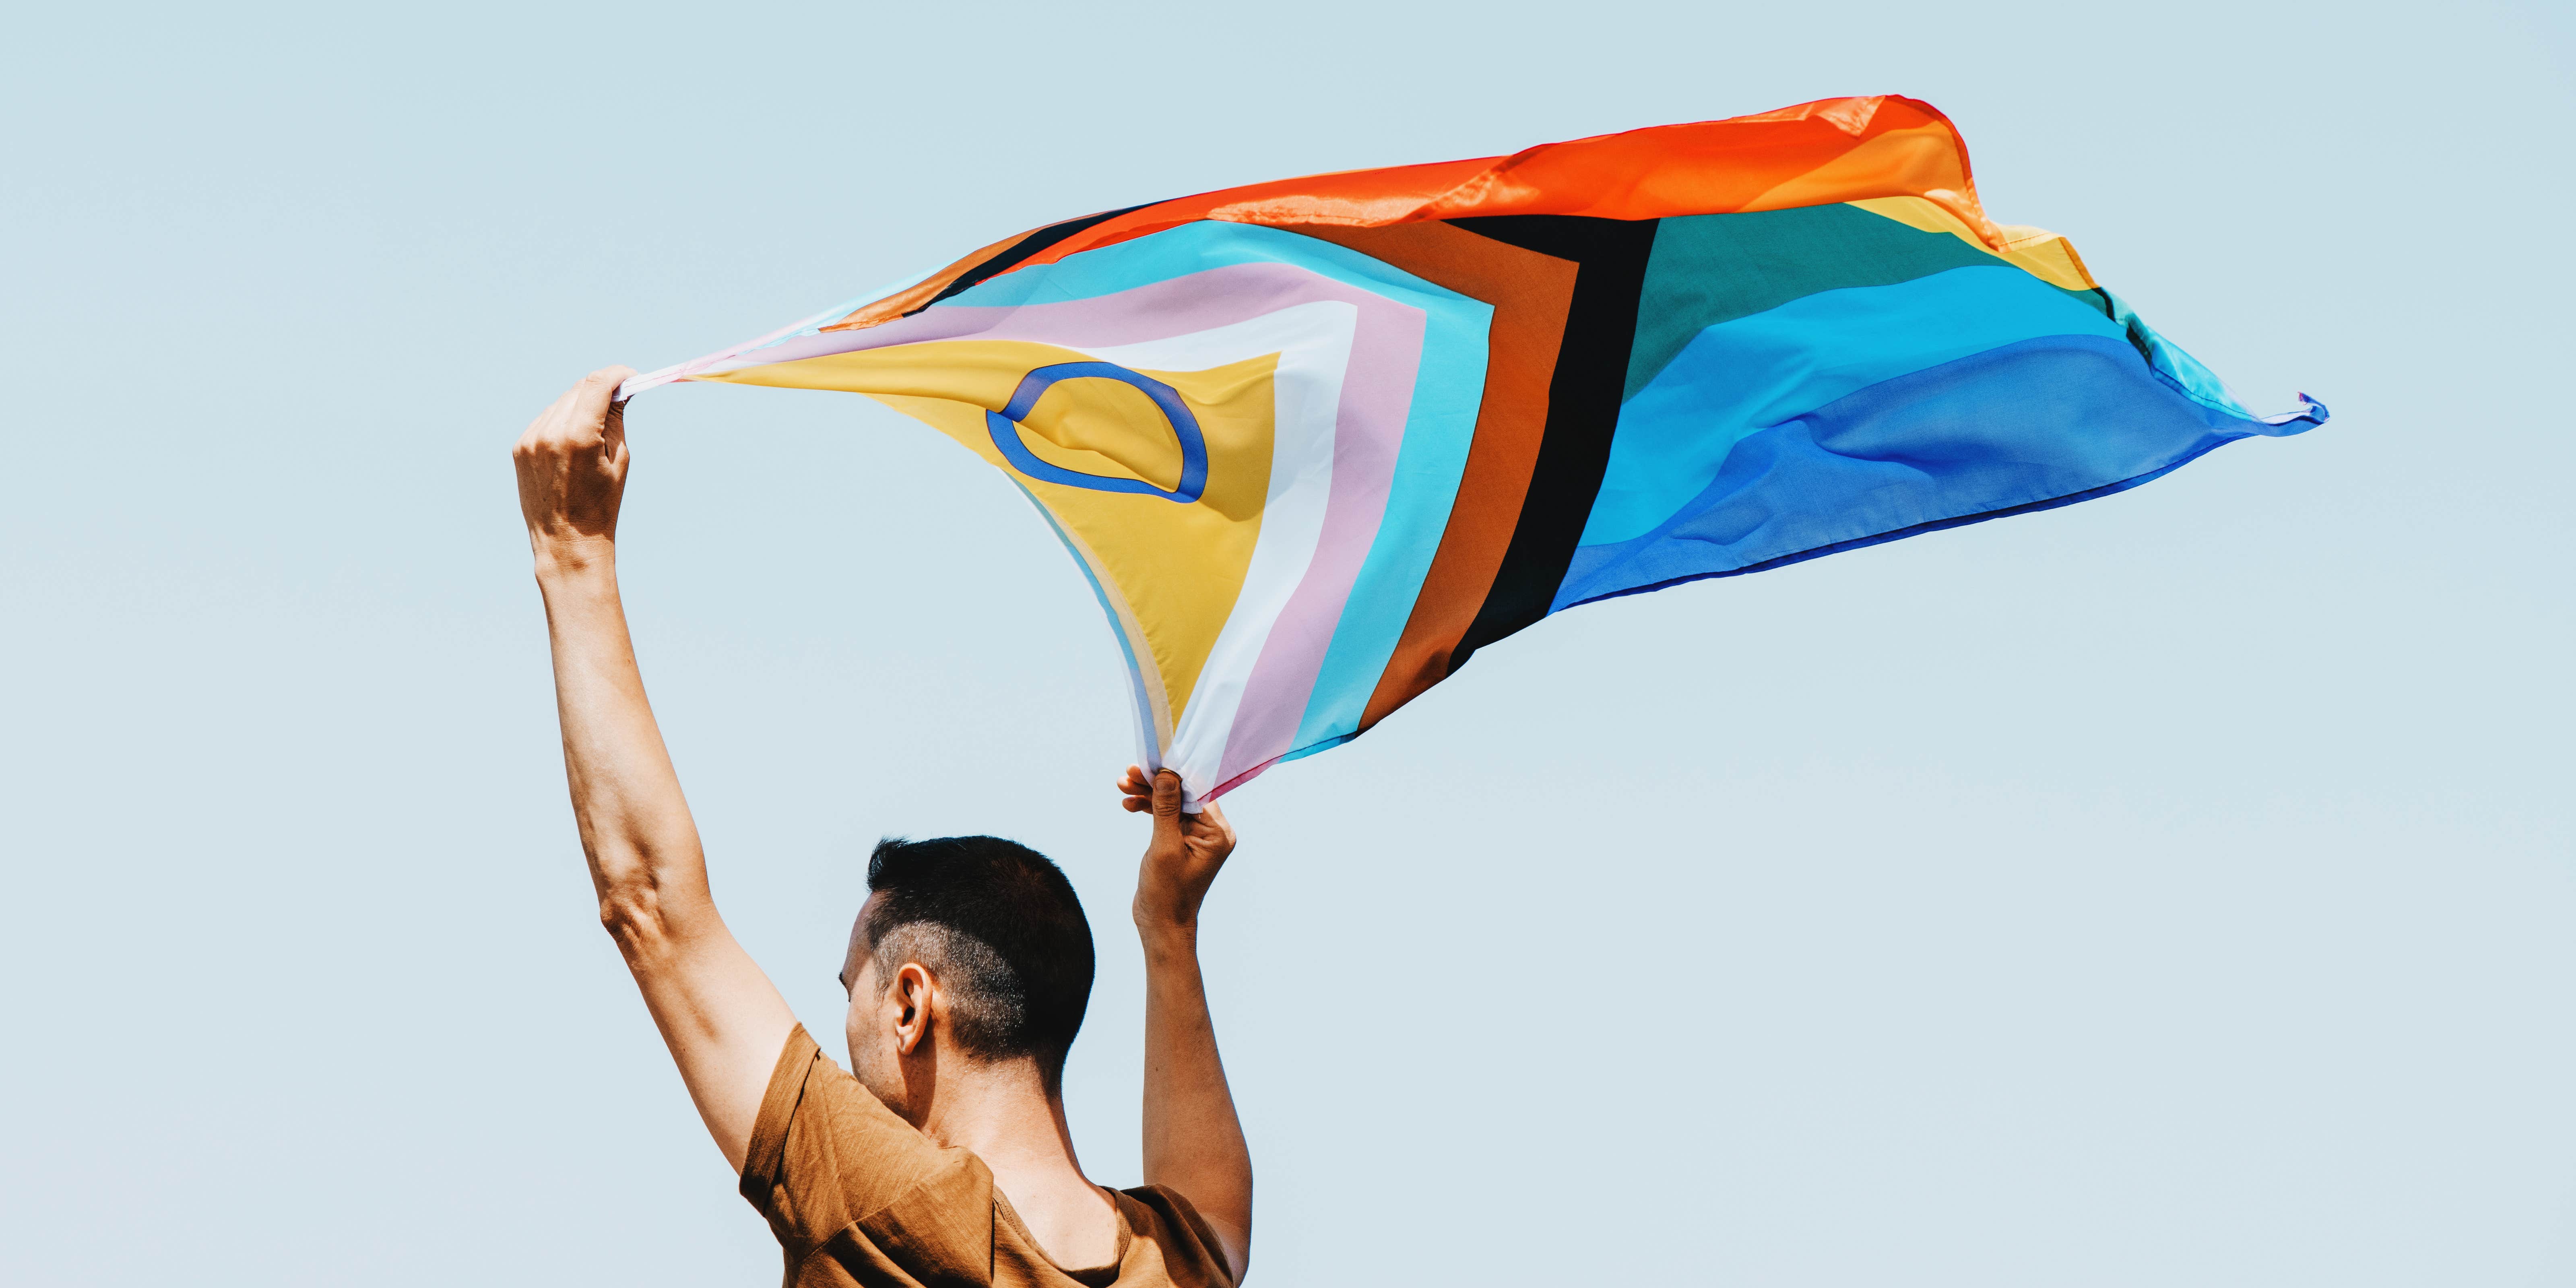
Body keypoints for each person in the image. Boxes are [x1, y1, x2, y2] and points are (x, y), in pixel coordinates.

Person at [511, 368, 1253, 1288]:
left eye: (850, 990)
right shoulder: (1180, 1263)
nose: (843, 1033)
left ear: (909, 1003)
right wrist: (1169, 934)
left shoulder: (891, 1210)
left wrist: (570, 549)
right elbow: (1216, 1213)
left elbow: (651, 909)